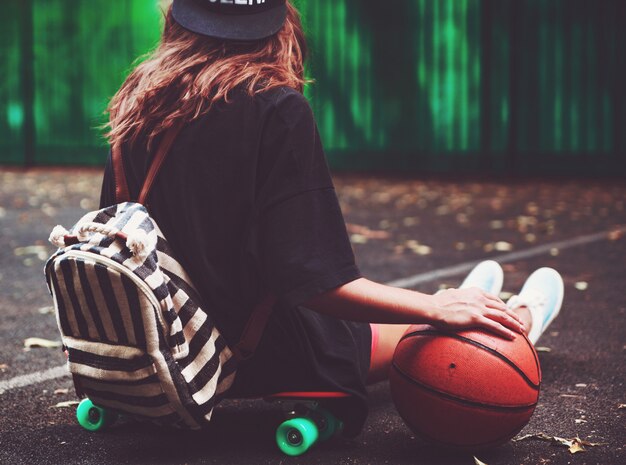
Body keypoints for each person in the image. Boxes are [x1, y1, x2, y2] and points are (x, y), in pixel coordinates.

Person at [99, 0, 564, 436]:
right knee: (425, 327)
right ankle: (516, 316)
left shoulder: (138, 101)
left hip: (155, 344)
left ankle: (474, 298)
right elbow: (318, 283)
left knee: (402, 313)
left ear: (179, 18)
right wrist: (434, 307)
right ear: (277, 23)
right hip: (252, 353)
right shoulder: (275, 107)